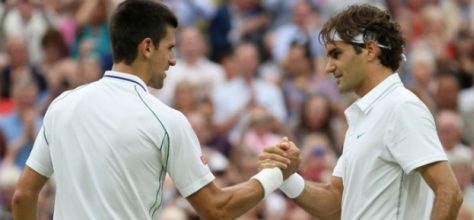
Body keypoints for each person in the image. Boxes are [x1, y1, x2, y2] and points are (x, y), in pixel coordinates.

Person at [11, 1, 300, 220]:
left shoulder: (61, 106)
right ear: (147, 47)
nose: (173, 60)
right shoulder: (166, 120)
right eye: (170, 48)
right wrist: (276, 174)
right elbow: (217, 208)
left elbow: (23, 195)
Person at [259, 4, 463, 219]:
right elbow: (336, 203)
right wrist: (287, 177)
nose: (328, 67)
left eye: (336, 54)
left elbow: (449, 193)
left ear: (370, 50)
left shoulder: (402, 107)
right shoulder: (364, 115)